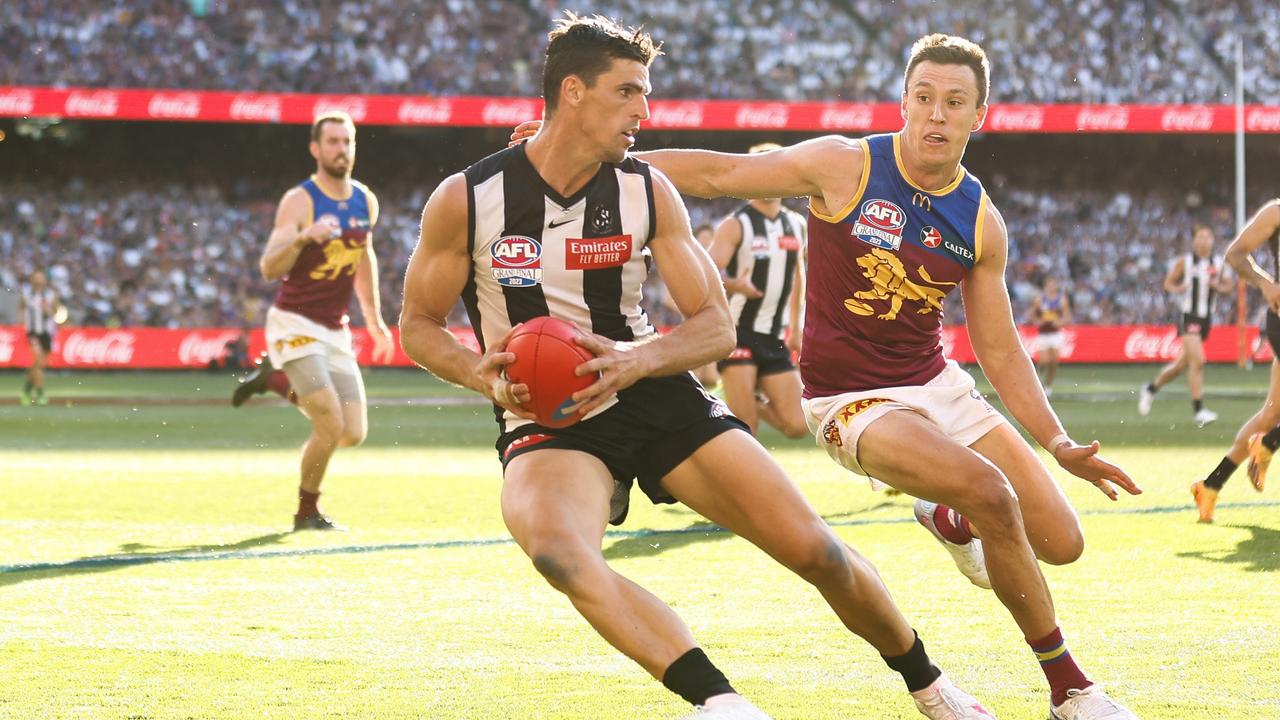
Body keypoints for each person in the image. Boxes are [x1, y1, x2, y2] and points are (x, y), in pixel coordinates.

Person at [511, 31, 1142, 720]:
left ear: (978, 116)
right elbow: (719, 175)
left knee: (1063, 542)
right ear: (903, 102)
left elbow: (999, 347)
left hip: (935, 383)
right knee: (993, 493)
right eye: (923, 98)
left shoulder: (980, 218)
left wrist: (1056, 442)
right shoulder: (845, 167)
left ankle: (950, 520)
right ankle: (1071, 691)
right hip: (851, 398)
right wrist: (593, 156)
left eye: (954, 103)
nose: (936, 115)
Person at [403, 14, 991, 720]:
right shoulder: (467, 198)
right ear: (573, 93)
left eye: (645, 94)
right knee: (560, 555)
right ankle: (719, 703)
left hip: (656, 394)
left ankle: (929, 682)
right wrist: (479, 373)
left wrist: (634, 358)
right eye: (628, 92)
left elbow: (714, 327)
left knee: (817, 553)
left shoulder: (645, 190)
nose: (644, 112)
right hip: (545, 416)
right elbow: (417, 324)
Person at [230, 111, 395, 531]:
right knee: (330, 421)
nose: (342, 149)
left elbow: (364, 257)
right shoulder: (299, 200)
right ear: (316, 149)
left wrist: (373, 318)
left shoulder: (365, 200)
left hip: (334, 328)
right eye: (333, 142)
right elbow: (269, 267)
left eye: (348, 141)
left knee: (353, 432)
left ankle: (272, 380)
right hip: (294, 323)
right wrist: (303, 237)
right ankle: (306, 512)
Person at [709, 143, 807, 438]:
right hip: (738, 332)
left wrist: (797, 326)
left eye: (774, 172)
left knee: (797, 425)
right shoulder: (735, 225)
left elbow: (798, 275)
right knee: (747, 426)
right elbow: (706, 272)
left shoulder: (796, 223)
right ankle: (740, 407)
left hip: (775, 335)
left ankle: (736, 401)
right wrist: (736, 284)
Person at [1191, 201, 1280, 522]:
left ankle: (1210, 485)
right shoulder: (1276, 212)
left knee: (1270, 415)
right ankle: (1269, 444)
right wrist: (1265, 282)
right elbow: (1236, 253)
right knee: (1269, 428)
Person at [1137, 225, 1232, 427]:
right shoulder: (1186, 262)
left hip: (1207, 319)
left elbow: (1228, 286)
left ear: (1213, 241)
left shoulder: (1218, 263)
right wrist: (1178, 288)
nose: (1204, 240)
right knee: (1198, 361)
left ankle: (1150, 389)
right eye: (1200, 237)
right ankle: (1199, 411)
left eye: (1208, 237)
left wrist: (1218, 286)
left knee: (1182, 365)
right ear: (1195, 241)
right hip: (1190, 317)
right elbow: (1168, 283)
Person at [18, 270, 62, 406]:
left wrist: (46, 309)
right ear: (32, 280)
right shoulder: (26, 294)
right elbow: (21, 309)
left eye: (40, 278)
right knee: (37, 359)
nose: (38, 281)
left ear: (44, 280)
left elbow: (56, 312)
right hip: (33, 332)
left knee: (40, 364)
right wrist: (21, 323)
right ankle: (40, 391)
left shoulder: (51, 295)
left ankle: (26, 389)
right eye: (35, 278)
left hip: (47, 333)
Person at [1026, 277, 1071, 397]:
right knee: (1043, 361)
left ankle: (1048, 385)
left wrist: (1060, 322)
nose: (1051, 287)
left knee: (1054, 361)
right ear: (1046, 286)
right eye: (1049, 284)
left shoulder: (1061, 300)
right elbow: (1031, 313)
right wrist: (1037, 321)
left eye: (1053, 284)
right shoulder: (1040, 299)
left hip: (1055, 333)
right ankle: (1040, 379)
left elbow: (1067, 317)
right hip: (1043, 333)